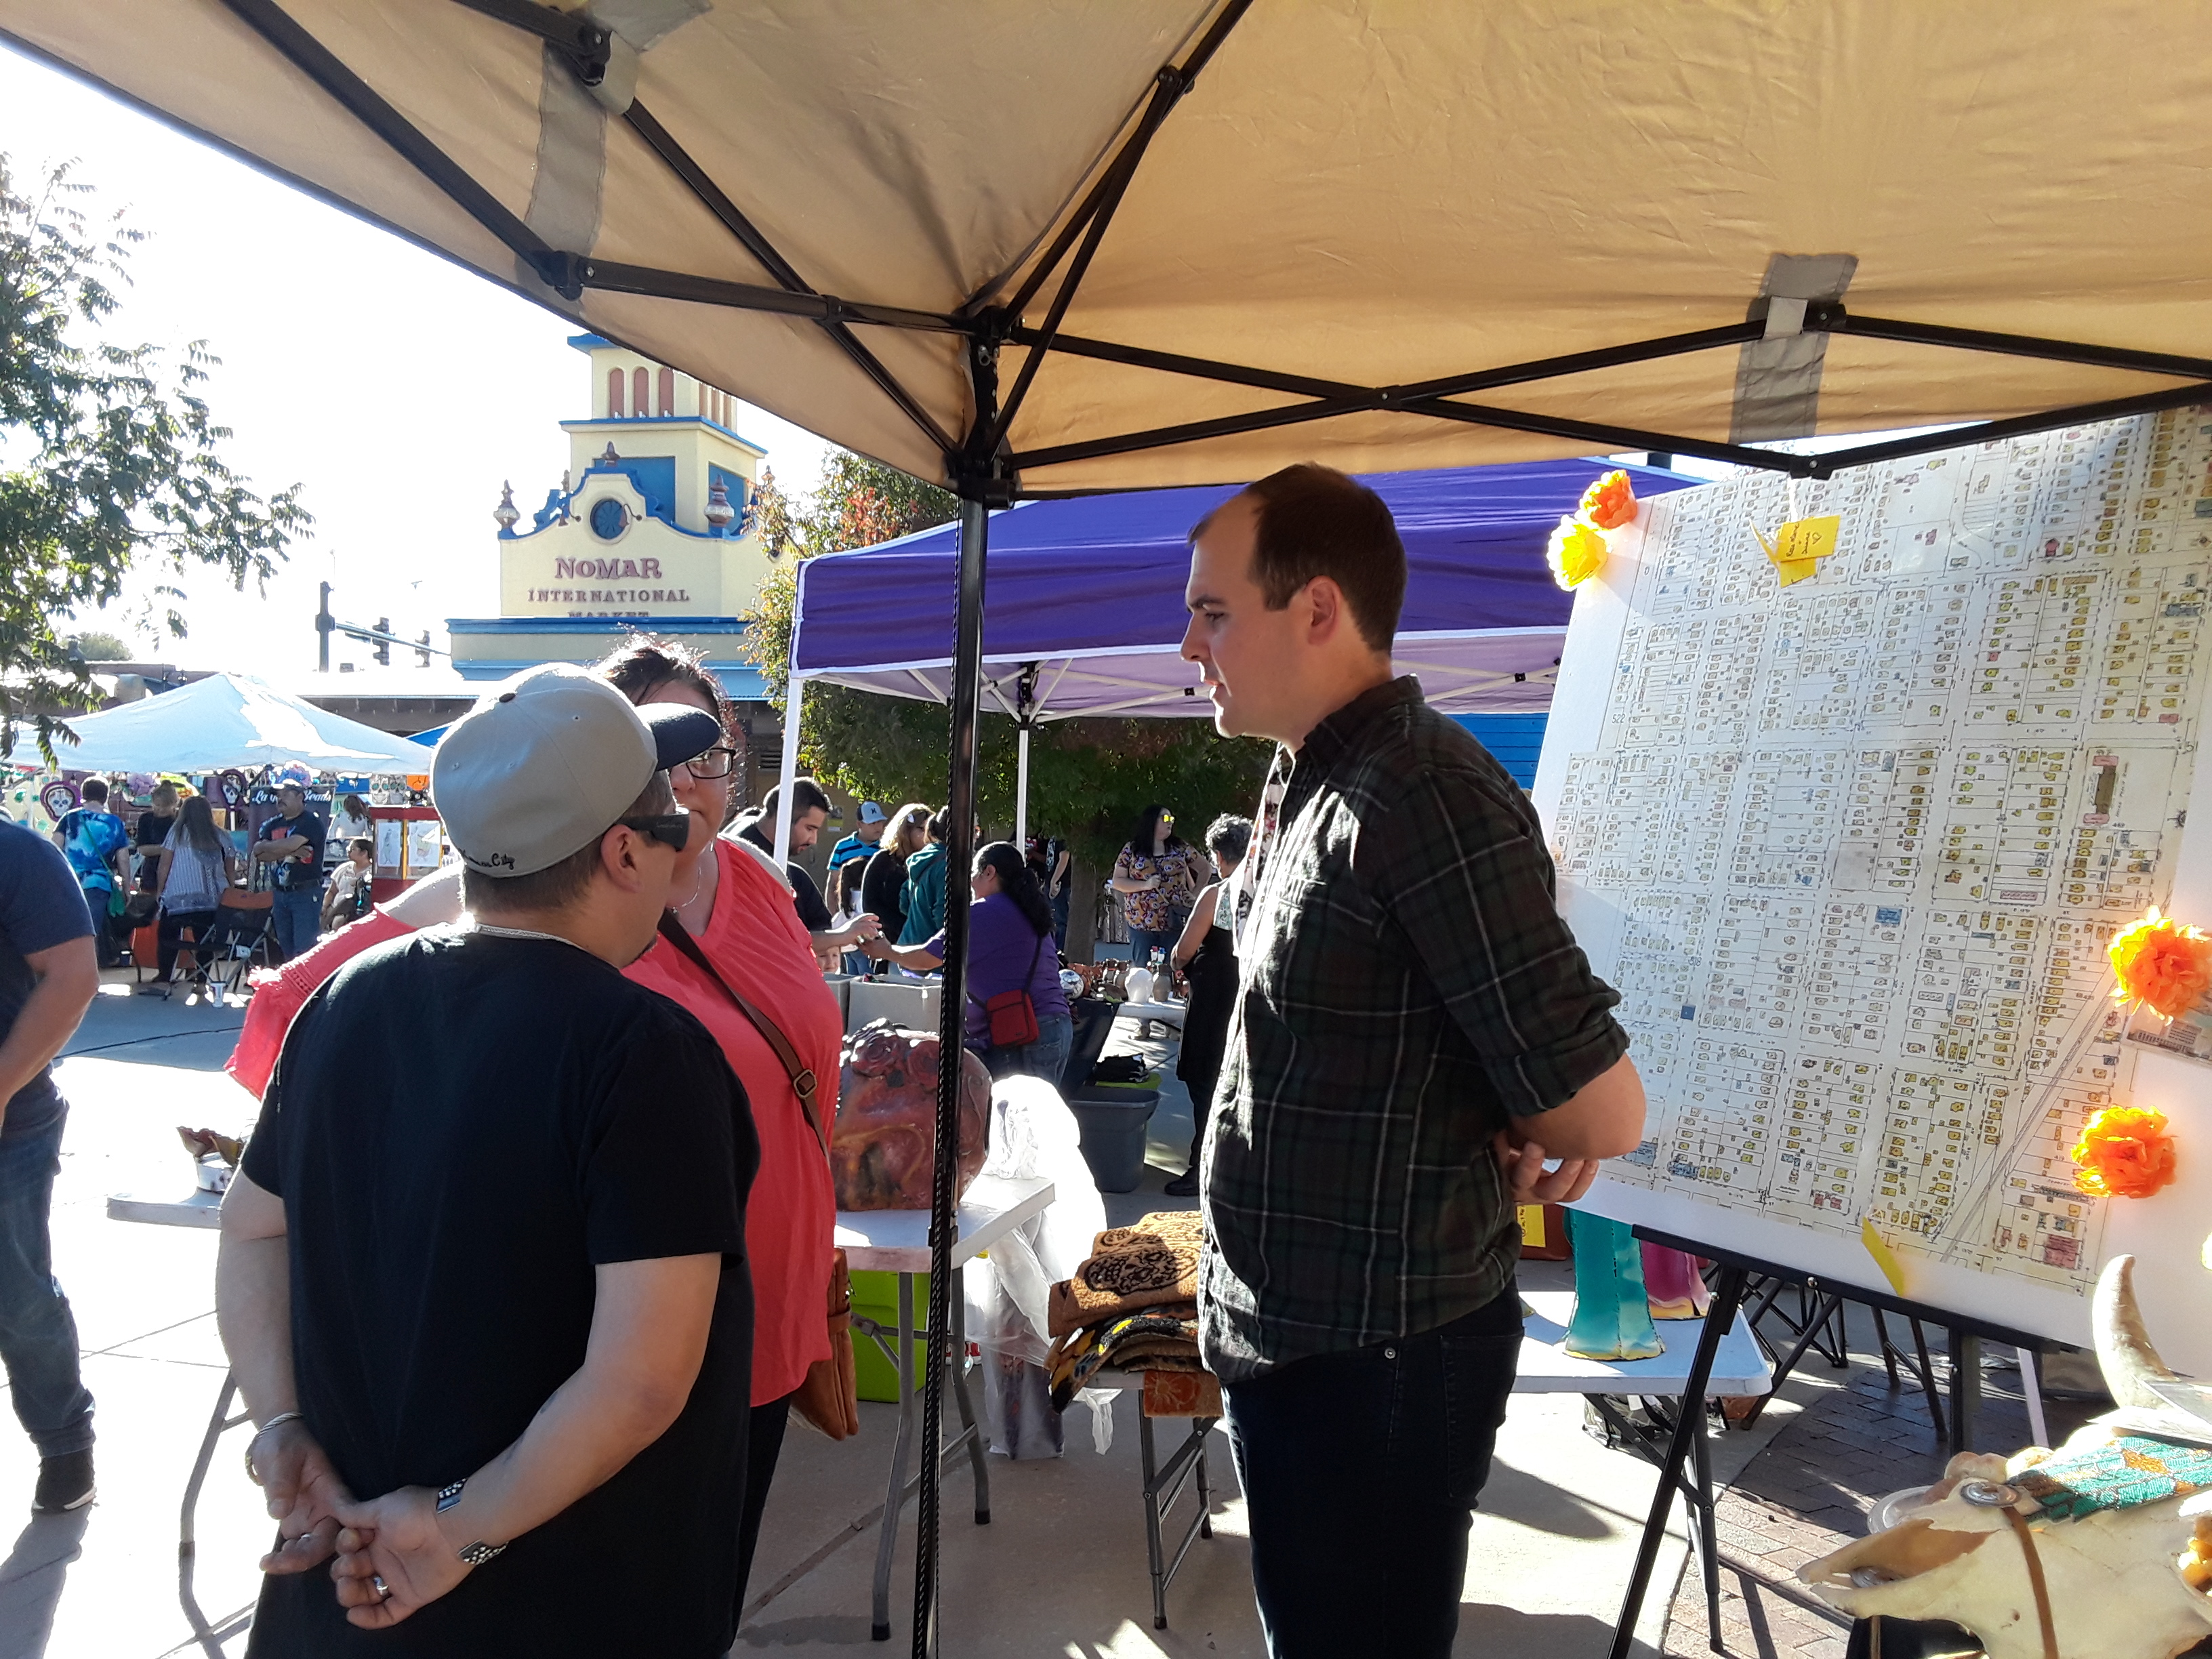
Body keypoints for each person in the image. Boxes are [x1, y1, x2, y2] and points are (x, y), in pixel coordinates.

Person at [1179, 464, 1645, 1658]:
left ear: (1318, 609)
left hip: (1376, 1355)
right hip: (1306, 1336)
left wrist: (1535, 1111)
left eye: (1213, 610)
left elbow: (1601, 1107)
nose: (1188, 641)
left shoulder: (1421, 789)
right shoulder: (1311, 771)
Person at [217, 664, 754, 1654]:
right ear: (626, 854)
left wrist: (279, 1426)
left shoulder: (346, 1000)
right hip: (561, 1605)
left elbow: (250, 1225)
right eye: (670, 819)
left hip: (336, 1598)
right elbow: (639, 1381)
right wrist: (455, 1531)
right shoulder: (646, 1054)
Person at [598, 638, 849, 1606]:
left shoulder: (760, 881)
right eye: (656, 752)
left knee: (715, 1595)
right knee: (644, 1607)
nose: (687, 782)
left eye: (707, 755)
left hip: (777, 1299)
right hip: (652, 1331)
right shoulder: (582, 905)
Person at [0, 819, 101, 1513]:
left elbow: (73, 977)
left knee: (18, 1297)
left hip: (12, 1121)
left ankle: (66, 1445)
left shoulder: (17, 856)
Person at [865, 842, 1071, 1084]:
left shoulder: (983, 912)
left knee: (1009, 1118)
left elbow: (927, 959)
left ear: (989, 872)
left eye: (973, 873)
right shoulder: (1030, 910)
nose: (970, 883)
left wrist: (887, 951)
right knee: (1033, 1118)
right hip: (1052, 1026)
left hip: (1024, 1034)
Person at [1162, 814, 1250, 1198]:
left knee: (1205, 1086)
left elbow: (1184, 949)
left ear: (1218, 855)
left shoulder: (1219, 894)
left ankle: (1202, 1168)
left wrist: (1177, 966)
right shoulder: (1263, 893)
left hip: (1214, 997)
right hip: (1248, 996)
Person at [733, 781, 881, 964]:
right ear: (783, 818)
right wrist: (843, 935)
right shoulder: (748, 858)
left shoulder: (754, 842)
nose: (813, 840)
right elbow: (778, 941)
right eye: (809, 828)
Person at [140, 795, 241, 995]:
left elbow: (164, 866)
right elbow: (231, 869)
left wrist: (161, 891)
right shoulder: (222, 836)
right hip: (213, 901)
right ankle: (201, 982)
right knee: (204, 939)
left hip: (179, 898)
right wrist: (230, 891)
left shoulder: (177, 834)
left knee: (168, 936)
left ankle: (164, 980)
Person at [1111, 804, 1198, 968]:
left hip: (1174, 921)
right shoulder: (1132, 849)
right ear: (1152, 821)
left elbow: (1205, 868)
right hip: (1141, 924)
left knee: (1171, 970)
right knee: (1142, 971)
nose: (1170, 822)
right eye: (1165, 818)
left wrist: (1196, 893)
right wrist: (1145, 885)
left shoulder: (1179, 847)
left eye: (1171, 819)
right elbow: (1118, 882)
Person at [249, 783, 327, 963]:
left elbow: (290, 843)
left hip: (305, 893)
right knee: (286, 949)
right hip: (280, 893)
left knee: (304, 950)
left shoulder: (310, 822)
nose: (280, 799)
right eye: (278, 795)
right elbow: (260, 854)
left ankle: (306, 989)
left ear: (300, 796)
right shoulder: (272, 824)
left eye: (286, 794)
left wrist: (269, 847)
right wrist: (289, 852)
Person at [54, 779, 129, 968]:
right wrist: (126, 886)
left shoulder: (69, 818)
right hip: (99, 883)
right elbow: (123, 858)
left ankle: (67, 972)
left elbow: (54, 848)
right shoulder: (114, 823)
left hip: (68, 882)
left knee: (67, 929)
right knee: (90, 930)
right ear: (105, 796)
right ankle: (86, 975)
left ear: (83, 794)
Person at [861, 803, 929, 955]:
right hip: (891, 946)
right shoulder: (884, 860)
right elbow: (870, 905)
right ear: (906, 830)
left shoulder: (934, 862)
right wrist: (904, 929)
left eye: (929, 830)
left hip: (927, 947)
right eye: (921, 829)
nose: (926, 836)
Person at [895, 808, 949, 947]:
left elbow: (904, 903)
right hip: (931, 954)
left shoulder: (923, 858)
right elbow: (944, 919)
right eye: (975, 831)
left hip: (907, 946)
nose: (977, 837)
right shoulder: (947, 866)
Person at [1025, 831, 1071, 951]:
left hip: (1061, 883)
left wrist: (1054, 881)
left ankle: (1060, 950)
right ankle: (1051, 947)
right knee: (1048, 917)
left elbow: (1064, 858)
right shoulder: (1052, 838)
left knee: (1061, 920)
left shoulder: (1063, 837)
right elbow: (1049, 859)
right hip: (1050, 880)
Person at [319, 838, 376, 933]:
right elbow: (332, 891)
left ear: (364, 853)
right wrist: (324, 907)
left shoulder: (372, 871)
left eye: (353, 849)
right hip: (337, 907)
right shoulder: (344, 868)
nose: (349, 852)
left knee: (340, 922)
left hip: (359, 909)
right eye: (349, 849)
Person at [134, 781, 180, 886]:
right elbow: (142, 849)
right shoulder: (146, 819)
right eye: (157, 805)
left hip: (176, 871)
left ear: (174, 804)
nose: (160, 809)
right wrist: (170, 849)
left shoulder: (180, 820)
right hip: (151, 872)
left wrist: (158, 850)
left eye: (165, 806)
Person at [826, 800, 887, 878]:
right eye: (872, 823)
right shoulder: (842, 846)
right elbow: (834, 880)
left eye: (880, 822)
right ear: (859, 824)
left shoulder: (886, 847)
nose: (878, 827)